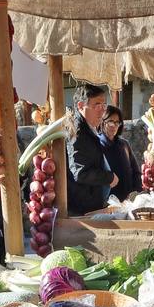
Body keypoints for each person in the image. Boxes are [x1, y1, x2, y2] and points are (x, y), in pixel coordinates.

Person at [66, 83, 116, 214]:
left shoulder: (89, 129)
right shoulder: (77, 133)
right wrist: (109, 177)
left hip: (90, 204)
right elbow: (80, 173)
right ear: (81, 106)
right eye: (97, 105)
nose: (102, 110)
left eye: (104, 105)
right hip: (81, 209)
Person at [100, 106, 142, 201]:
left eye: (117, 122)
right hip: (107, 203)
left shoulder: (124, 145)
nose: (114, 126)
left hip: (129, 201)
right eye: (110, 122)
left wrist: (136, 192)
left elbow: (136, 172)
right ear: (103, 122)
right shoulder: (97, 146)